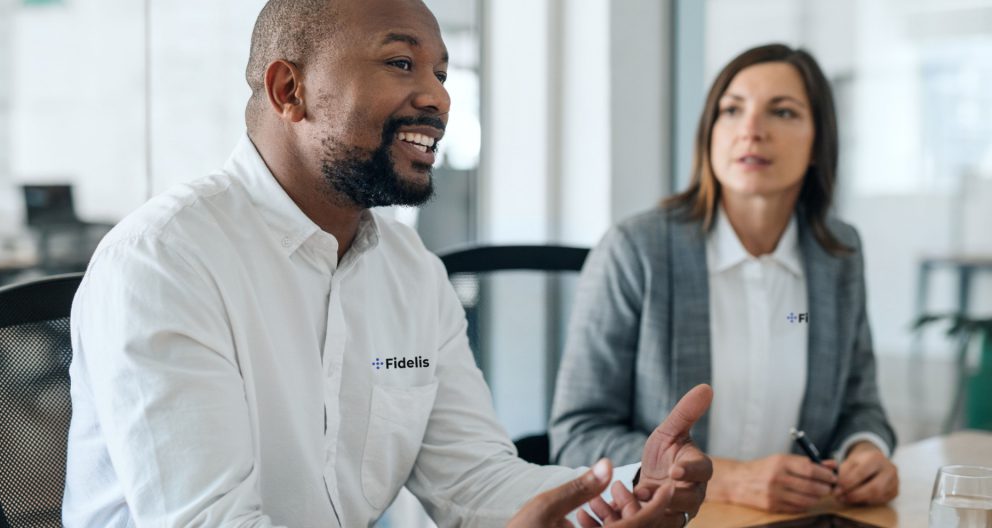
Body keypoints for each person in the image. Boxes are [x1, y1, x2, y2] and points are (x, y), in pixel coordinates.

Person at [61, 0, 713, 526]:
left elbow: (475, 480)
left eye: (441, 73)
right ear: (291, 89)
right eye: (401, 63)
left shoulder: (409, 269)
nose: (437, 98)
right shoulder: (166, 261)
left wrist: (631, 487)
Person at [549, 43, 899, 514]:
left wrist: (866, 450)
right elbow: (577, 433)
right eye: (732, 110)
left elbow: (861, 404)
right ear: (709, 132)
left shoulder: (839, 253)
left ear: (819, 142)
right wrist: (728, 477)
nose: (751, 130)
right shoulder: (637, 249)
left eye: (782, 112)